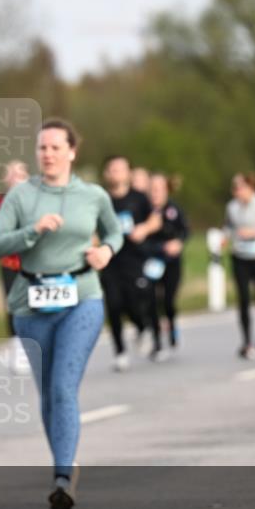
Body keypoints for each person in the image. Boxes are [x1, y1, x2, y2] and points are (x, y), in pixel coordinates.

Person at [0, 119, 122, 509]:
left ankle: (63, 475)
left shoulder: (93, 195)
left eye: (55, 147)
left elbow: (114, 233)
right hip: (31, 302)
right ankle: (64, 463)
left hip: (82, 297)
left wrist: (106, 252)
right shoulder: (20, 196)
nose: (47, 154)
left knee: (63, 386)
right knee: (48, 391)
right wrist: (32, 231)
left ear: (72, 152)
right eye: (42, 148)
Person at [99, 155, 163, 370]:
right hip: (110, 259)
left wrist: (143, 229)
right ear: (107, 174)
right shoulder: (102, 199)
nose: (116, 173)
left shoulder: (139, 198)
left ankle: (141, 326)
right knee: (114, 305)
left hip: (134, 258)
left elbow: (156, 219)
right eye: (112, 169)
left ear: (128, 173)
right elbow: (91, 227)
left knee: (134, 300)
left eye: (120, 169)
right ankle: (120, 352)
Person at [0, 160, 31, 374]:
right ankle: (18, 349)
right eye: (11, 174)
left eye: (19, 173)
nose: (15, 178)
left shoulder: (36, 200)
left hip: (34, 262)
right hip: (10, 263)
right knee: (13, 305)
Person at [224, 172, 255, 360]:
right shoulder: (231, 207)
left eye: (239, 188)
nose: (236, 192)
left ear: (250, 187)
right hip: (240, 256)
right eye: (234, 188)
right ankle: (246, 342)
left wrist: (254, 232)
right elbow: (228, 227)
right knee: (243, 299)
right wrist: (225, 237)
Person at [146, 172, 189, 351]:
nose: (156, 193)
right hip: (150, 261)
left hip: (171, 262)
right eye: (152, 189)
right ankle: (156, 339)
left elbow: (185, 230)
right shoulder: (144, 210)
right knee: (152, 301)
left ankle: (171, 324)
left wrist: (177, 243)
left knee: (169, 300)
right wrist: (159, 247)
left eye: (159, 189)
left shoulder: (174, 209)